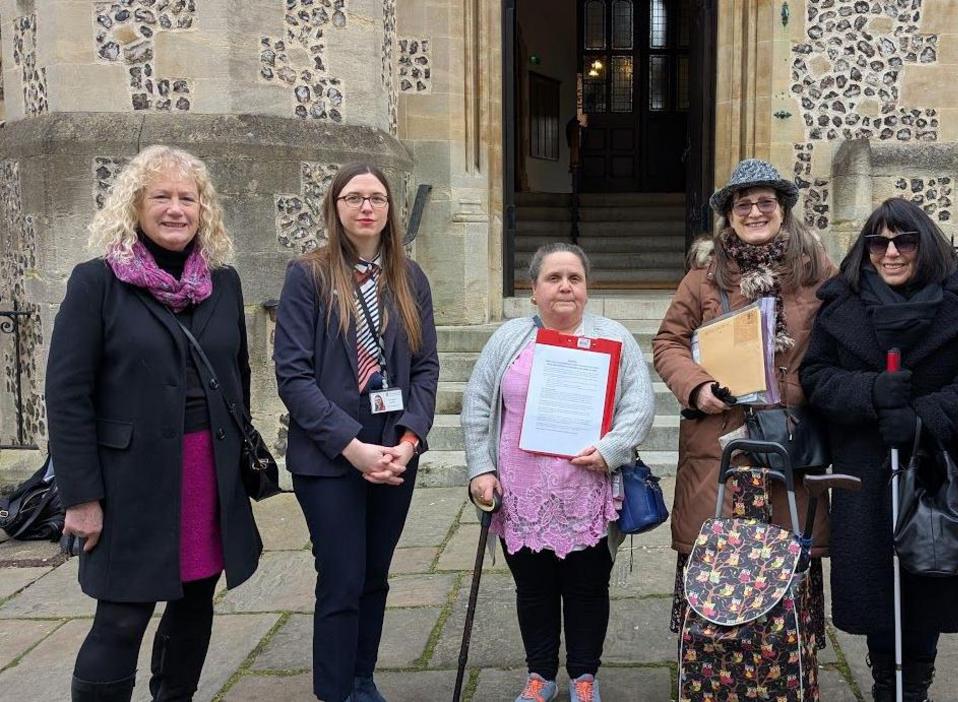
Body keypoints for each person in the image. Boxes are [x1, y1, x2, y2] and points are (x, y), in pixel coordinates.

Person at [47, 145, 262, 701]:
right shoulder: (96, 283)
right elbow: (67, 396)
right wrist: (81, 498)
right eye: (160, 196)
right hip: (128, 484)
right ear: (135, 206)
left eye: (187, 197)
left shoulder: (224, 282)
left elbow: (236, 377)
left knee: (194, 608)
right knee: (120, 619)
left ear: (203, 209)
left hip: (205, 475)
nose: (175, 209)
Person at [800, 197, 958, 701]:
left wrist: (921, 418)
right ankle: (885, 680)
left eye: (903, 241)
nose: (891, 253)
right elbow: (818, 377)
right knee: (875, 586)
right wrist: (869, 392)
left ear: (923, 245)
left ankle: (917, 683)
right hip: (866, 469)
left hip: (934, 467)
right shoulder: (840, 305)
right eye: (879, 242)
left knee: (928, 574)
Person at [274, 163, 439, 702]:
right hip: (331, 456)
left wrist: (408, 442)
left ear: (389, 209)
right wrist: (353, 447)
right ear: (336, 207)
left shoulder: (410, 278)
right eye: (353, 197)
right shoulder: (310, 275)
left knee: (375, 575)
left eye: (376, 198)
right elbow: (293, 375)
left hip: (394, 452)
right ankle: (335, 690)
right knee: (342, 579)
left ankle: (362, 679)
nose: (366, 207)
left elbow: (426, 368)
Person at [461, 243, 655, 702]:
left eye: (575, 278)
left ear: (587, 289)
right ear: (534, 291)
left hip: (586, 490)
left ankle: (585, 676)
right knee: (533, 589)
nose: (565, 286)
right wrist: (480, 469)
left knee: (588, 588)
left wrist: (611, 449)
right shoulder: (509, 338)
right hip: (519, 491)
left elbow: (639, 405)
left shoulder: (614, 338)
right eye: (554, 278)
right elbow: (477, 403)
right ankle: (540, 676)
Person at [652, 158, 836, 637]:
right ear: (729, 215)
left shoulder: (817, 271)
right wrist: (696, 385)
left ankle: (781, 665)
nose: (755, 212)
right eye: (743, 204)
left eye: (765, 203)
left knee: (786, 549)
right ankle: (714, 665)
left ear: (783, 209)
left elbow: (842, 340)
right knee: (717, 553)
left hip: (787, 439)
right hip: (720, 439)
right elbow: (669, 341)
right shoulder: (704, 275)